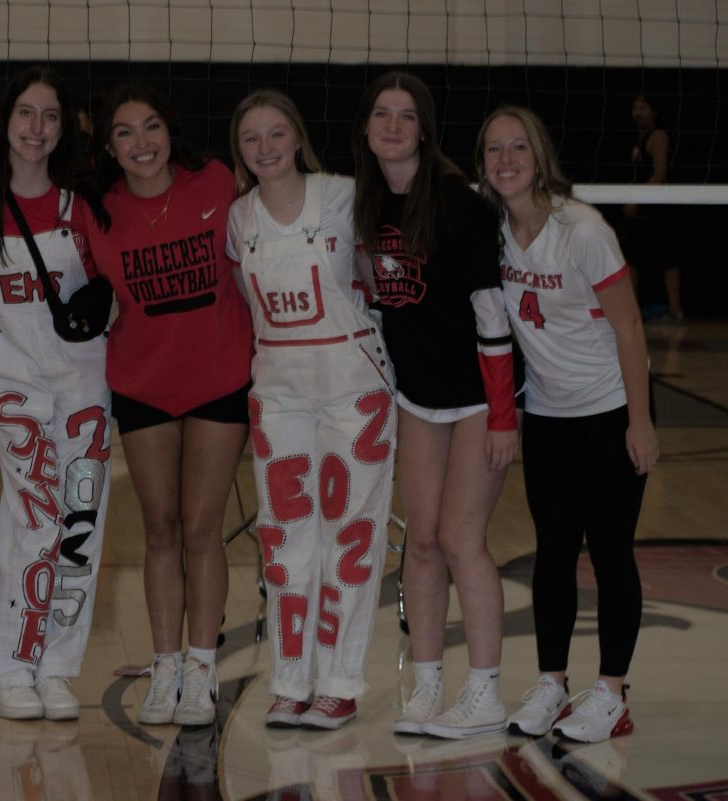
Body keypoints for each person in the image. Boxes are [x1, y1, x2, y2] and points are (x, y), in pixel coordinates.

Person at [477, 105, 658, 743]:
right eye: (494, 150)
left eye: (518, 147)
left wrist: (640, 421)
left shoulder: (581, 228)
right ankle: (552, 683)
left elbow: (630, 326)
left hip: (609, 408)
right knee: (553, 554)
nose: (506, 160)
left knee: (610, 552)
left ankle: (611, 692)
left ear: (540, 154)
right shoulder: (492, 229)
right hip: (549, 415)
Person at [350, 71, 520, 739]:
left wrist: (504, 415)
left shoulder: (456, 202)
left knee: (458, 537)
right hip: (419, 395)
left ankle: (484, 691)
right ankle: (425, 687)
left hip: (479, 393)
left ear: (425, 128)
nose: (393, 125)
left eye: (407, 115)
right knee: (419, 541)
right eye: (382, 114)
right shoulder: (364, 205)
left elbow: (492, 312)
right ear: (365, 128)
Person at [226, 89, 396, 730]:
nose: (265, 148)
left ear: (296, 137)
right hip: (279, 389)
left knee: (349, 531)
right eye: (251, 138)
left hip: (354, 381)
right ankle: (291, 678)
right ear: (239, 150)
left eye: (275, 134)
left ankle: (340, 680)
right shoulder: (238, 219)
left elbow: (382, 281)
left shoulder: (345, 197)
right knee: (283, 534)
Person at [85, 82, 253, 727]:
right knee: (159, 529)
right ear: (109, 146)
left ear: (169, 131)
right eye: (125, 132)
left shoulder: (215, 182)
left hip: (218, 381)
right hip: (141, 384)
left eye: (151, 126)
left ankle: (201, 668)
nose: (141, 142)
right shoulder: (99, 213)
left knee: (200, 528)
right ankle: (164, 667)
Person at [0, 67, 109, 721]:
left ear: (64, 125)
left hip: (84, 376)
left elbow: (115, 286)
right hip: (12, 373)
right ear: (5, 120)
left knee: (81, 520)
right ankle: (8, 667)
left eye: (49, 116)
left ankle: (56, 667)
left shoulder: (85, 203)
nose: (37, 128)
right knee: (34, 512)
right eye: (26, 113)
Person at [620, 95, 685, 322]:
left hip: (656, 210)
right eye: (635, 107)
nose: (638, 112)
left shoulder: (658, 136)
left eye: (643, 108)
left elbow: (659, 174)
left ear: (654, 111)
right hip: (639, 212)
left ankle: (676, 310)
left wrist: (637, 199)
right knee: (631, 259)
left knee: (668, 259)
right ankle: (631, 311)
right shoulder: (637, 137)